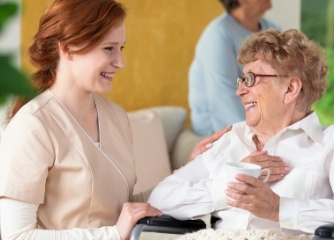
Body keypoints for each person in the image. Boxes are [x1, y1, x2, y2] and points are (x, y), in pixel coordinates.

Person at [0, 0, 163, 239]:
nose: (120, 62)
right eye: (109, 48)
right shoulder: (33, 125)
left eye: (121, 48)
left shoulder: (115, 116)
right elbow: (17, 235)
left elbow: (120, 210)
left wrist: (191, 173)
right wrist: (114, 234)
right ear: (67, 48)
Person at [149, 28, 334, 235]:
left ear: (290, 89)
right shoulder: (229, 140)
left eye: (252, 79)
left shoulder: (329, 144)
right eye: (242, 80)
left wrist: (278, 208)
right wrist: (231, 183)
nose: (240, 91)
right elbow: (160, 198)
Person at [189, 0, 280, 136]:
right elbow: (224, 104)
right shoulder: (219, 35)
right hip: (219, 134)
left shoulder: (272, 29)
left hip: (263, 129)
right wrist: (260, 138)